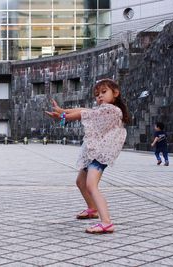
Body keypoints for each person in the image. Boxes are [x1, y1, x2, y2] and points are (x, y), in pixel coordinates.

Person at [46, 79, 130, 234]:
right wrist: (63, 110)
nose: (99, 97)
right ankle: (92, 208)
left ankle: (106, 222)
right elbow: (85, 110)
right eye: (97, 94)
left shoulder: (112, 110)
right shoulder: (102, 110)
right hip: (93, 152)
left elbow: (84, 114)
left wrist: (63, 116)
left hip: (100, 154)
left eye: (104, 92)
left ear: (116, 93)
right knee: (80, 182)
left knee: (91, 185)